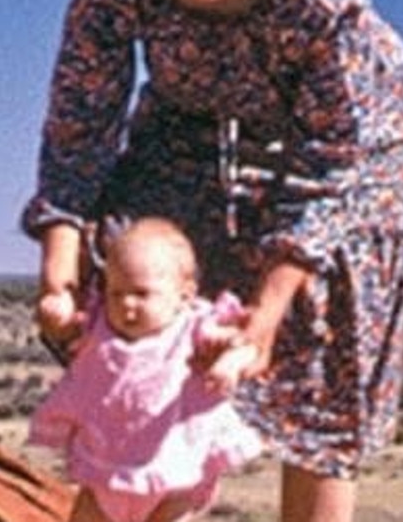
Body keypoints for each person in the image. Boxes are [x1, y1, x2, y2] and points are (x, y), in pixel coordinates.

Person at [21, 0, 403, 521]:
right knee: (141, 280)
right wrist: (60, 267)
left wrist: (266, 314)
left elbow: (333, 160)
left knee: (320, 333)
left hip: (347, 148)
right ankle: (139, 493)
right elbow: (81, 121)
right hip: (189, 120)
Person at [29, 217, 263, 522]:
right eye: (116, 292)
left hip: (174, 469)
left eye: (141, 293)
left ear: (185, 294)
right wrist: (57, 310)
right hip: (106, 467)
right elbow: (67, 329)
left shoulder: (193, 328)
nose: (127, 304)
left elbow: (242, 344)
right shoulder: (98, 326)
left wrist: (229, 363)